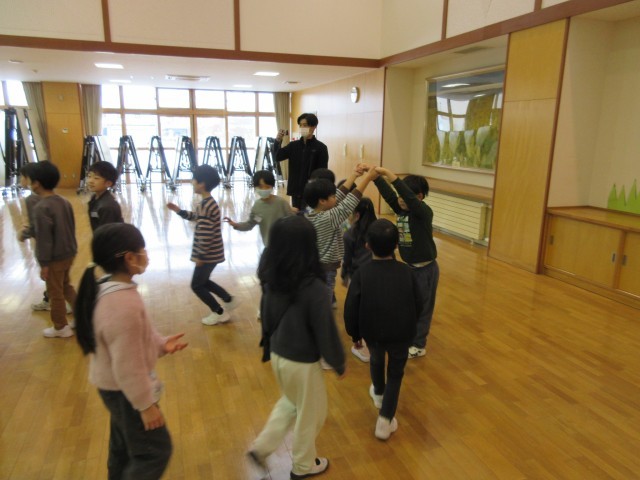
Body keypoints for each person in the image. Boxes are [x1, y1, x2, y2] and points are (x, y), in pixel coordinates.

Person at [75, 223, 187, 480]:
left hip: (117, 389)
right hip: (125, 392)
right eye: (143, 250)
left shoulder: (110, 288)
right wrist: (145, 405)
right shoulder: (121, 304)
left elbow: (133, 339)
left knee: (124, 447)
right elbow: (127, 366)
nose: (146, 255)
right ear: (129, 258)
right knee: (154, 452)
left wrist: (160, 344)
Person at [248, 215, 345, 479]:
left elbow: (266, 314)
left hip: (279, 354)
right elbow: (326, 331)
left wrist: (267, 346)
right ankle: (303, 466)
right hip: (302, 363)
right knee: (312, 414)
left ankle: (260, 448)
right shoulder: (314, 288)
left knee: (291, 403)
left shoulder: (271, 278)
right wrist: (338, 362)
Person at [344, 219, 422, 440]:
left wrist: (355, 334)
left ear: (367, 245)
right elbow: (419, 303)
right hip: (402, 333)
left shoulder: (362, 273)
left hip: (373, 332)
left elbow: (351, 307)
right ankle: (385, 420)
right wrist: (412, 325)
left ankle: (378, 392)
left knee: (377, 360)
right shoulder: (407, 272)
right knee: (395, 373)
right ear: (396, 245)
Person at [372, 167, 439, 359]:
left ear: (419, 197)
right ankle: (408, 336)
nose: (400, 199)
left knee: (423, 309)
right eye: (400, 196)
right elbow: (389, 196)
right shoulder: (402, 210)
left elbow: (406, 196)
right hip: (409, 268)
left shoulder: (423, 213)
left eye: (404, 196)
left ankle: (418, 345)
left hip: (425, 269)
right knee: (408, 306)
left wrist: (388, 173)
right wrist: (376, 178)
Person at [167, 165, 238, 326]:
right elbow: (196, 217)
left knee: (196, 285)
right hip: (212, 253)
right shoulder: (207, 203)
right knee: (203, 281)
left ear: (202, 184)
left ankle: (218, 312)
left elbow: (206, 235)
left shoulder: (207, 205)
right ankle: (228, 299)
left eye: (194, 180)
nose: (191, 182)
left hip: (207, 255)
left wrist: (201, 256)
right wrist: (179, 211)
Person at [303, 164, 379, 308]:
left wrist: (355, 175)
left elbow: (339, 195)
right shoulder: (328, 218)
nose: (335, 197)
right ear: (322, 201)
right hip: (325, 269)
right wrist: (368, 178)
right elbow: (349, 203)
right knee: (323, 303)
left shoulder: (313, 212)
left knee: (319, 298)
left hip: (316, 265)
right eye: (332, 196)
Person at [29, 161, 78, 338]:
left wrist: (44, 264)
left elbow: (44, 239)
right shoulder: (64, 201)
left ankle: (60, 327)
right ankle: (82, 316)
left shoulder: (41, 207)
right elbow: (71, 227)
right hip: (69, 253)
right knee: (65, 286)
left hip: (54, 258)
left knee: (54, 292)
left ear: (37, 183)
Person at [341, 197, 377, 363]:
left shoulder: (351, 234)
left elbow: (347, 259)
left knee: (357, 309)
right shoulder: (379, 229)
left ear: (356, 215)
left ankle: (359, 342)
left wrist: (344, 275)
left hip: (359, 277)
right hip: (378, 274)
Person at [223, 170, 293, 247]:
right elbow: (250, 224)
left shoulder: (281, 203)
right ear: (255, 187)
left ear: (272, 187)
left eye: (267, 187)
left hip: (286, 245)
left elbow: (293, 223)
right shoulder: (257, 207)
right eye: (260, 187)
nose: (264, 189)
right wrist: (236, 225)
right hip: (269, 246)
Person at [274, 113, 329, 210]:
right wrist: (278, 141)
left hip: (312, 191)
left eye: (305, 125)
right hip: (295, 191)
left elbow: (323, 172)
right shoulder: (293, 146)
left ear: (314, 127)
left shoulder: (321, 148)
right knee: (297, 215)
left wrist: (319, 190)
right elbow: (277, 156)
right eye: (300, 125)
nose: (302, 128)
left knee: (309, 216)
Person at [86, 160, 123, 231]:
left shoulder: (107, 206)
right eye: (89, 176)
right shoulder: (94, 198)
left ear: (108, 183)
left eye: (96, 178)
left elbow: (107, 232)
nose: (90, 181)